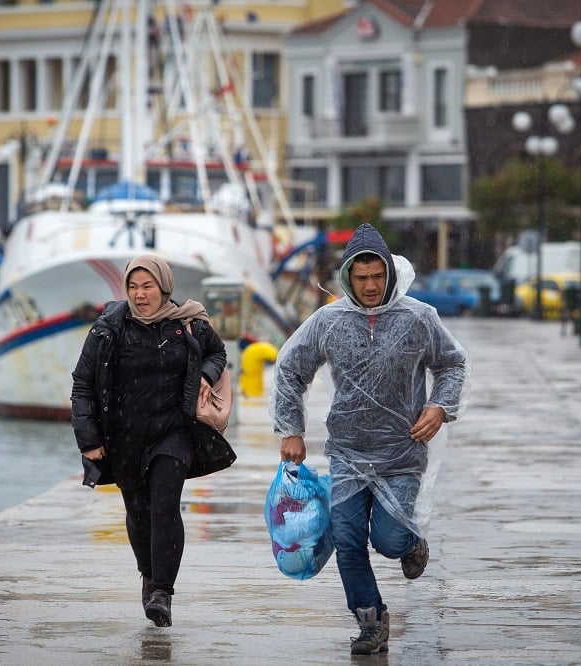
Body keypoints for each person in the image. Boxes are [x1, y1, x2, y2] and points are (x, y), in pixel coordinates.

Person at [270, 224, 470, 655]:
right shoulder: (328, 320)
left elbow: (452, 364)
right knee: (347, 540)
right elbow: (290, 369)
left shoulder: (418, 318)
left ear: (389, 274)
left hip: (401, 453)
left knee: (389, 540)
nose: (370, 286)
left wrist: (440, 407)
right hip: (347, 452)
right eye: (360, 278)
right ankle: (370, 621)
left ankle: (411, 543)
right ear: (347, 277)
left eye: (377, 276)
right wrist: (291, 429)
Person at [70, 255, 236, 628]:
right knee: (139, 514)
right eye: (133, 287)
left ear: (164, 288)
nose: (140, 294)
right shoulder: (109, 329)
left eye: (147, 287)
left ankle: (162, 591)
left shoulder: (189, 323)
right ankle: (147, 573)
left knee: (164, 507)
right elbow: (83, 384)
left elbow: (217, 352)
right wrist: (89, 439)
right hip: (124, 436)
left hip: (173, 433)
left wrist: (206, 376)